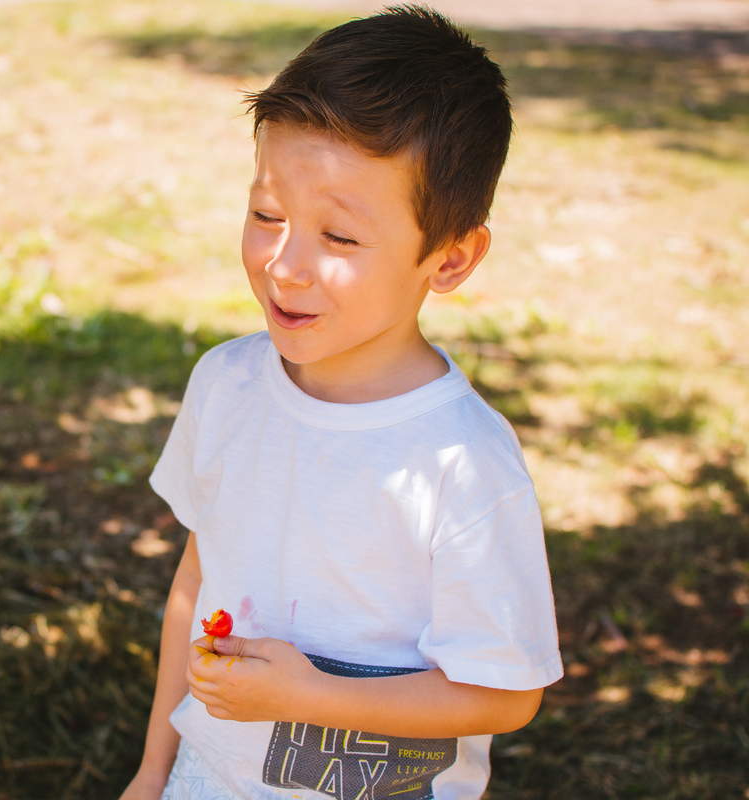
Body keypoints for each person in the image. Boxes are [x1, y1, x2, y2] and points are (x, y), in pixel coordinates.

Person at [118, 6, 563, 800]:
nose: (285, 265)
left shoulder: (462, 464)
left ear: (451, 257)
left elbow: (505, 692)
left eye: (340, 238)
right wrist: (155, 772)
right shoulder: (226, 386)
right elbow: (194, 585)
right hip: (207, 779)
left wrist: (307, 696)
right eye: (266, 215)